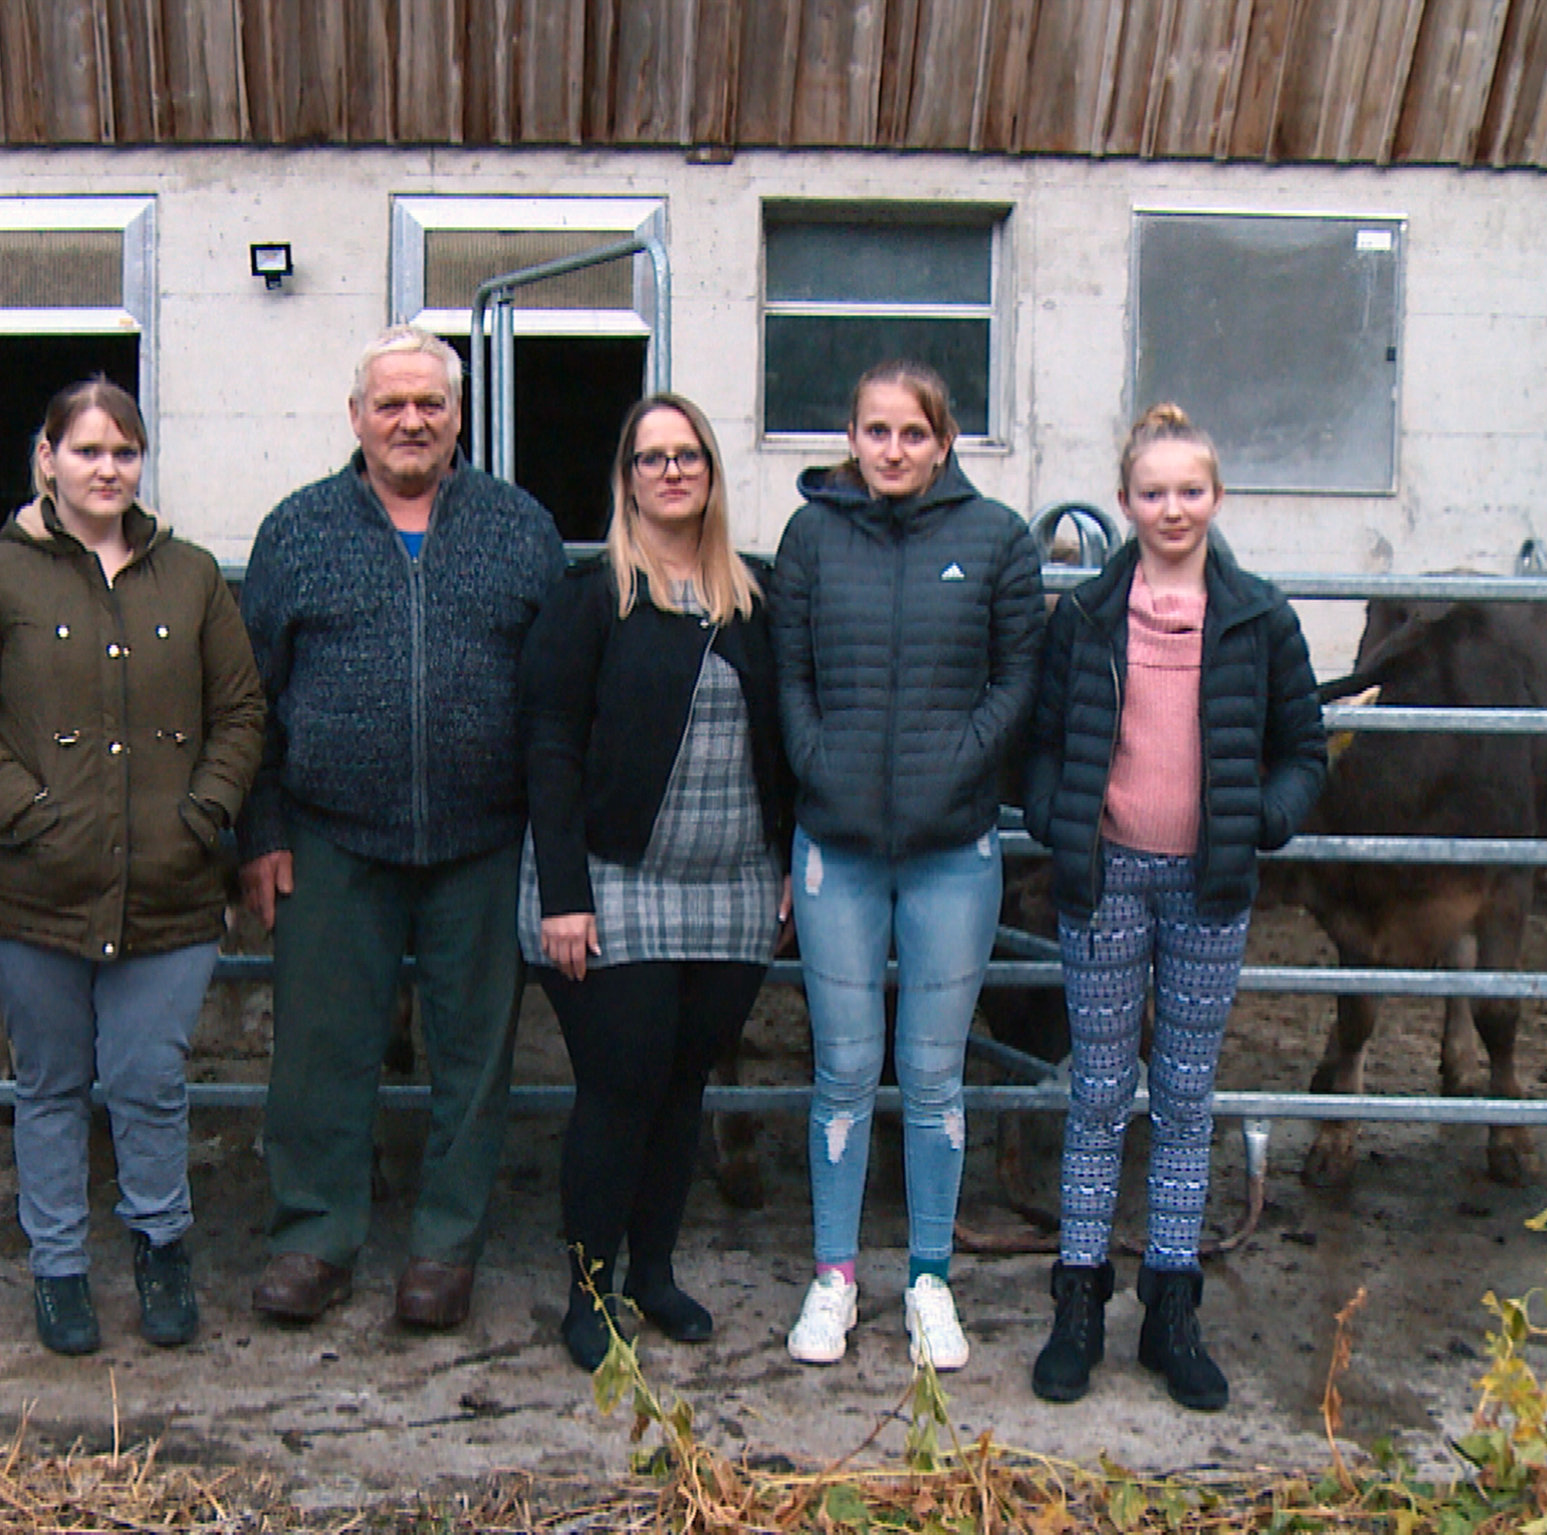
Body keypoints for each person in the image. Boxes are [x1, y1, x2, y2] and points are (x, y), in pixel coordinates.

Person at [0, 379, 263, 1356]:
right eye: (86, 450)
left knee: (151, 1076)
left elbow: (240, 713)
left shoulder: (190, 576)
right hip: (28, 887)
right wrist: (25, 807)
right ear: (47, 458)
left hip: (169, 882)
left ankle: (161, 1245)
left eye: (123, 451)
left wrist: (202, 812)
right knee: (53, 1078)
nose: (105, 468)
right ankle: (58, 1262)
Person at [240, 324, 564, 1331]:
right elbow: (249, 697)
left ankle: (442, 1245)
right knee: (319, 1047)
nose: (410, 419)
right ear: (356, 417)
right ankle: (314, 1232)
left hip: (483, 832)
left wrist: (551, 844)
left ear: (457, 416)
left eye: (429, 402)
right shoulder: (296, 530)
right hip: (331, 831)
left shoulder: (520, 528)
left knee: (474, 1050)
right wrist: (261, 831)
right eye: (390, 403)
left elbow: (556, 701)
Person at [1023, 404, 1326, 1412]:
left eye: (1187, 490)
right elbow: (1042, 737)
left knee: (1185, 1095)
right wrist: (1053, 816)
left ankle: (1169, 1307)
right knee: (1098, 1090)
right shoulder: (1081, 617)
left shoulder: (1258, 617)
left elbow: (1301, 748)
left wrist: (1261, 820)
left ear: (1215, 496)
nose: (1170, 508)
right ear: (1123, 502)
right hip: (1103, 876)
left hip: (1209, 885)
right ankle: (1076, 1302)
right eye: (1150, 492)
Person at [771, 360, 1044, 1371]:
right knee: (841, 1068)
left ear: (944, 439)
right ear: (851, 436)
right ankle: (833, 1275)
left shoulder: (994, 539)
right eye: (874, 431)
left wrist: (961, 762)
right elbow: (787, 673)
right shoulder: (809, 537)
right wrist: (816, 761)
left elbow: (1018, 675)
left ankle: (929, 1276)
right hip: (834, 845)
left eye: (911, 434)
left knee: (931, 1074)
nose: (892, 450)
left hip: (951, 849)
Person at [518, 394, 792, 1371]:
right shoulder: (593, 598)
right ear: (626, 477)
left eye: (688, 455)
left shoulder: (751, 599)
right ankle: (587, 1291)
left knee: (682, 1083)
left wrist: (788, 859)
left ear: (710, 473)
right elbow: (548, 744)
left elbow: (784, 741)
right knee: (620, 1082)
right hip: (613, 881)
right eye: (651, 457)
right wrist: (561, 889)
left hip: (731, 883)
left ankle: (655, 1272)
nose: (671, 471)